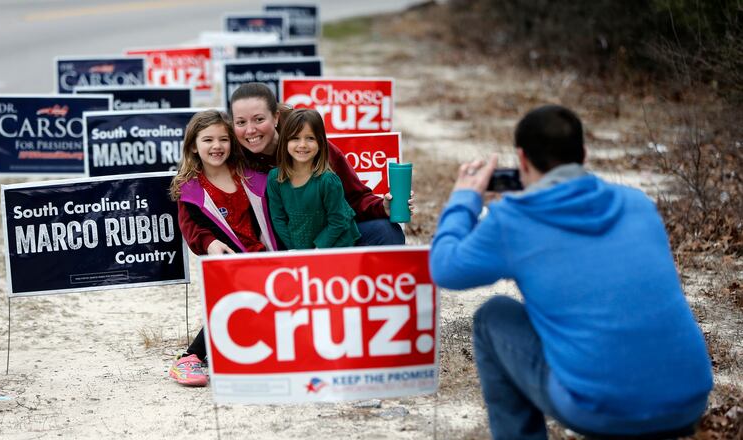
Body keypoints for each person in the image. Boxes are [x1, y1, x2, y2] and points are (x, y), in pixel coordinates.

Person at [429, 105, 713, 439]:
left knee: (493, 316)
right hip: (689, 399)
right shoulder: (636, 203)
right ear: (583, 153)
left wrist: (464, 199)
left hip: (600, 410)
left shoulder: (514, 221)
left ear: (522, 160)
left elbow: (444, 267)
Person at [167, 110, 278, 386]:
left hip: (267, 254)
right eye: (207, 140)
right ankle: (190, 357)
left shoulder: (250, 175)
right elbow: (191, 228)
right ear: (193, 145)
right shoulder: (190, 189)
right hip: (230, 261)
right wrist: (210, 243)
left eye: (223, 139)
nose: (216, 146)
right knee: (244, 294)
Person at [228, 82, 409, 246]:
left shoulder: (313, 151)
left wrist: (382, 207)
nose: (250, 130)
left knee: (386, 231)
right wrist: (209, 241)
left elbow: (353, 199)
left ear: (275, 117)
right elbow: (207, 206)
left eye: (259, 119)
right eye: (241, 122)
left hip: (326, 238)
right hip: (277, 245)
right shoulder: (231, 157)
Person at [266, 108, 361, 249]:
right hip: (299, 245)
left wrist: (317, 250)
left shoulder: (328, 181)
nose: (302, 145)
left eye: (310, 138)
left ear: (320, 143)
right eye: (295, 138)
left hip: (336, 245)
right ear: (285, 141)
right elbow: (278, 219)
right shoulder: (275, 178)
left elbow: (338, 220)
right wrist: (292, 249)